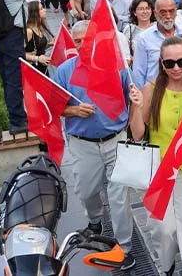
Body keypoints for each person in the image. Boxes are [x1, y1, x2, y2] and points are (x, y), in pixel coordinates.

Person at [53, 21, 135, 271]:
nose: (82, 45)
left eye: (86, 40)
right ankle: (95, 221)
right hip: (83, 145)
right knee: (87, 191)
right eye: (77, 41)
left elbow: (132, 99)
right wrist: (74, 110)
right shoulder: (65, 71)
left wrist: (129, 128)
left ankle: (124, 247)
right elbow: (54, 105)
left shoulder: (117, 68)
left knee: (119, 196)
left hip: (115, 141)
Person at [128, 36, 182, 276]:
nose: (176, 68)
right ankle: (166, 263)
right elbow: (138, 134)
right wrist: (136, 107)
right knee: (164, 228)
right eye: (169, 63)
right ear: (161, 63)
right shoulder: (152, 89)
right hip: (160, 170)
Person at [0, 0, 55, 135]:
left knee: (7, 76)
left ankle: (16, 115)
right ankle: (18, 121)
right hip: (11, 36)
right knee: (14, 79)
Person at [23, 1, 53, 75]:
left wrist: (49, 44)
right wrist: (37, 58)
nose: (45, 10)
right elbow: (19, 53)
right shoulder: (29, 31)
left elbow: (36, 48)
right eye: (41, 9)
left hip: (42, 67)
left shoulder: (39, 27)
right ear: (35, 13)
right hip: (33, 69)